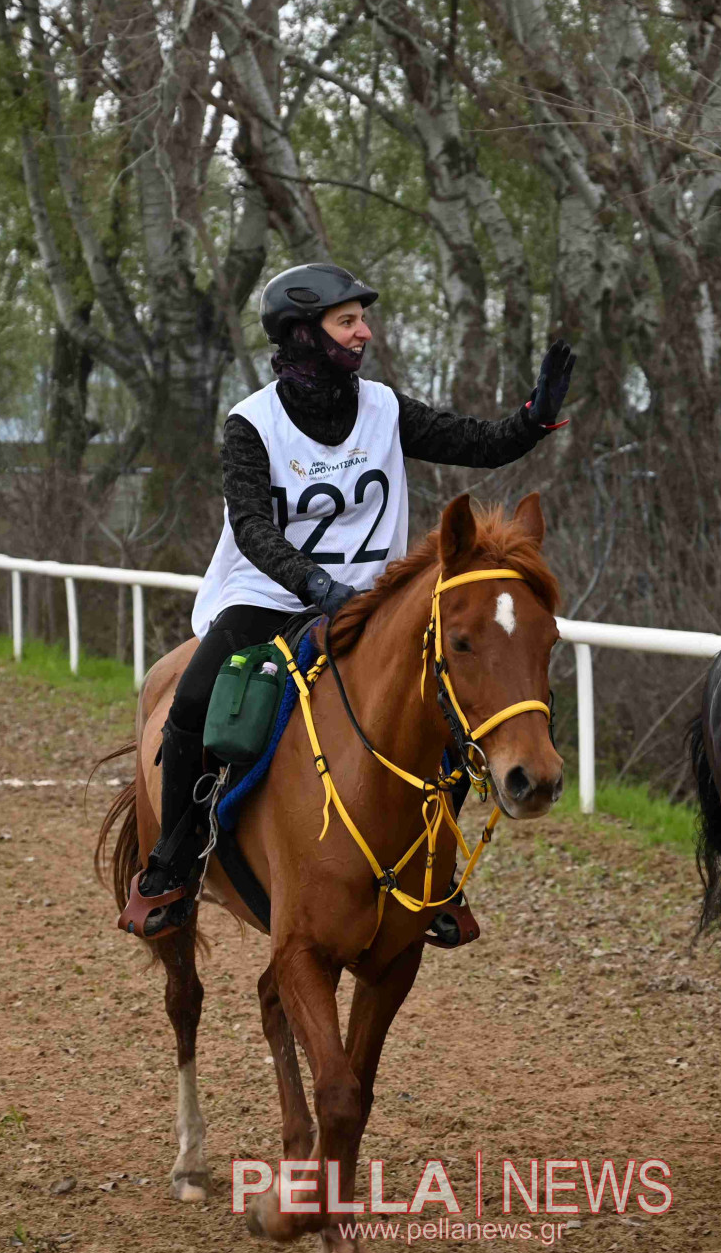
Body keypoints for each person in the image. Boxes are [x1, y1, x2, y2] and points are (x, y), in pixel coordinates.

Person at [118, 262, 576, 939]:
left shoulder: (384, 407)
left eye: (362, 318)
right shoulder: (250, 423)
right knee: (190, 705)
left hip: (372, 603)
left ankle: (435, 876)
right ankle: (175, 862)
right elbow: (250, 527)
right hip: (268, 595)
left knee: (445, 703)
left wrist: (532, 421)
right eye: (348, 320)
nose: (365, 331)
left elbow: (474, 442)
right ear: (305, 334)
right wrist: (312, 584)